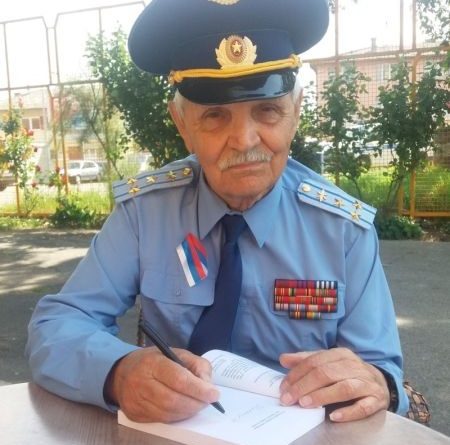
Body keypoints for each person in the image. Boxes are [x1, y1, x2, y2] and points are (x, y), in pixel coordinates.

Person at [26, 0, 408, 424]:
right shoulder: (145, 215)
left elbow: (380, 371)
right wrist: (118, 372)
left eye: (267, 110)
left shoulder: (343, 231)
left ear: (296, 112)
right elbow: (57, 325)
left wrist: (375, 383)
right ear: (181, 123)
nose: (244, 140)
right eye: (214, 116)